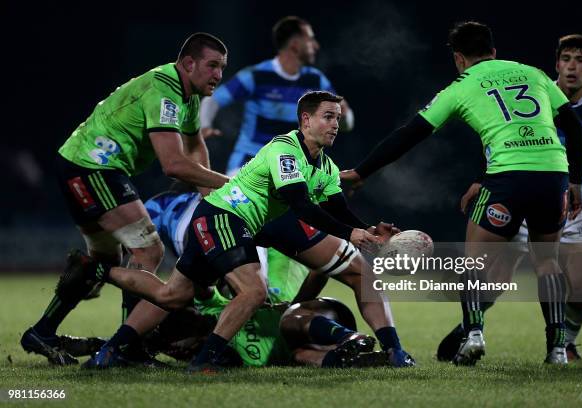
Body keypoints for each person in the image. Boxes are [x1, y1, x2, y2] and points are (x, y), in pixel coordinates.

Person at [73, 91, 415, 371]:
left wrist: (367, 230)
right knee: (253, 291)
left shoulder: (325, 166)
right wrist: (349, 234)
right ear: (305, 120)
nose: (335, 124)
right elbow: (301, 206)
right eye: (328, 116)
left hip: (253, 223)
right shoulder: (286, 150)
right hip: (224, 216)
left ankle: (97, 274)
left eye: (338, 118)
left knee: (172, 295)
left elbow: (337, 208)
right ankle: (206, 361)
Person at [341, 21, 582, 365]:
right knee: (547, 260)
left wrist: (360, 171)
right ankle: (558, 349)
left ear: (458, 58)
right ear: (494, 51)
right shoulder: (533, 73)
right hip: (553, 174)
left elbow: (411, 133)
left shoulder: (460, 86)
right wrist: (574, 182)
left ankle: (473, 335)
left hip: (507, 178)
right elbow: (573, 127)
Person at [20, 32, 231, 366]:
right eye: (213, 65)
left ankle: (44, 332)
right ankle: (128, 345)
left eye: (222, 67)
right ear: (189, 63)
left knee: (106, 260)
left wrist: (211, 193)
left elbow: (194, 146)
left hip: (82, 165)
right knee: (148, 250)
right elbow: (174, 165)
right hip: (93, 167)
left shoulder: (188, 96)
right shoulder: (165, 90)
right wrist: (230, 186)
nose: (219, 74)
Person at [436, 34, 582, 363]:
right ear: (557, 64)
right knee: (496, 279)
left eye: (580, 60)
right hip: (515, 195)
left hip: (567, 207)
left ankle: (566, 339)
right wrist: (481, 178)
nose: (572, 66)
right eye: (566, 59)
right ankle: (470, 328)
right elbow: (504, 138)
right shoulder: (537, 90)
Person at [200, 15, 355, 311]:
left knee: (295, 238)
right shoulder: (256, 76)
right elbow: (214, 99)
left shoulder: (315, 81)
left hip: (293, 176)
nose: (316, 45)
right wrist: (205, 126)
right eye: (310, 38)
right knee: (253, 239)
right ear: (295, 44)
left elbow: (344, 118)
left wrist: (344, 117)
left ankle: (277, 305)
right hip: (248, 170)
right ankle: (241, 290)